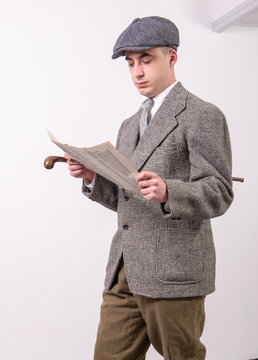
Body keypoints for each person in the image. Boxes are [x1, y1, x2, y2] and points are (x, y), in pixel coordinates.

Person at [65, 16, 234, 360]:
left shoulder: (202, 114)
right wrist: (92, 178)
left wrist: (170, 191)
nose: (137, 72)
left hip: (174, 272)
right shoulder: (129, 126)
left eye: (146, 59)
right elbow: (129, 198)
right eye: (130, 63)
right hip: (124, 272)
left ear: (172, 58)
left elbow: (219, 191)